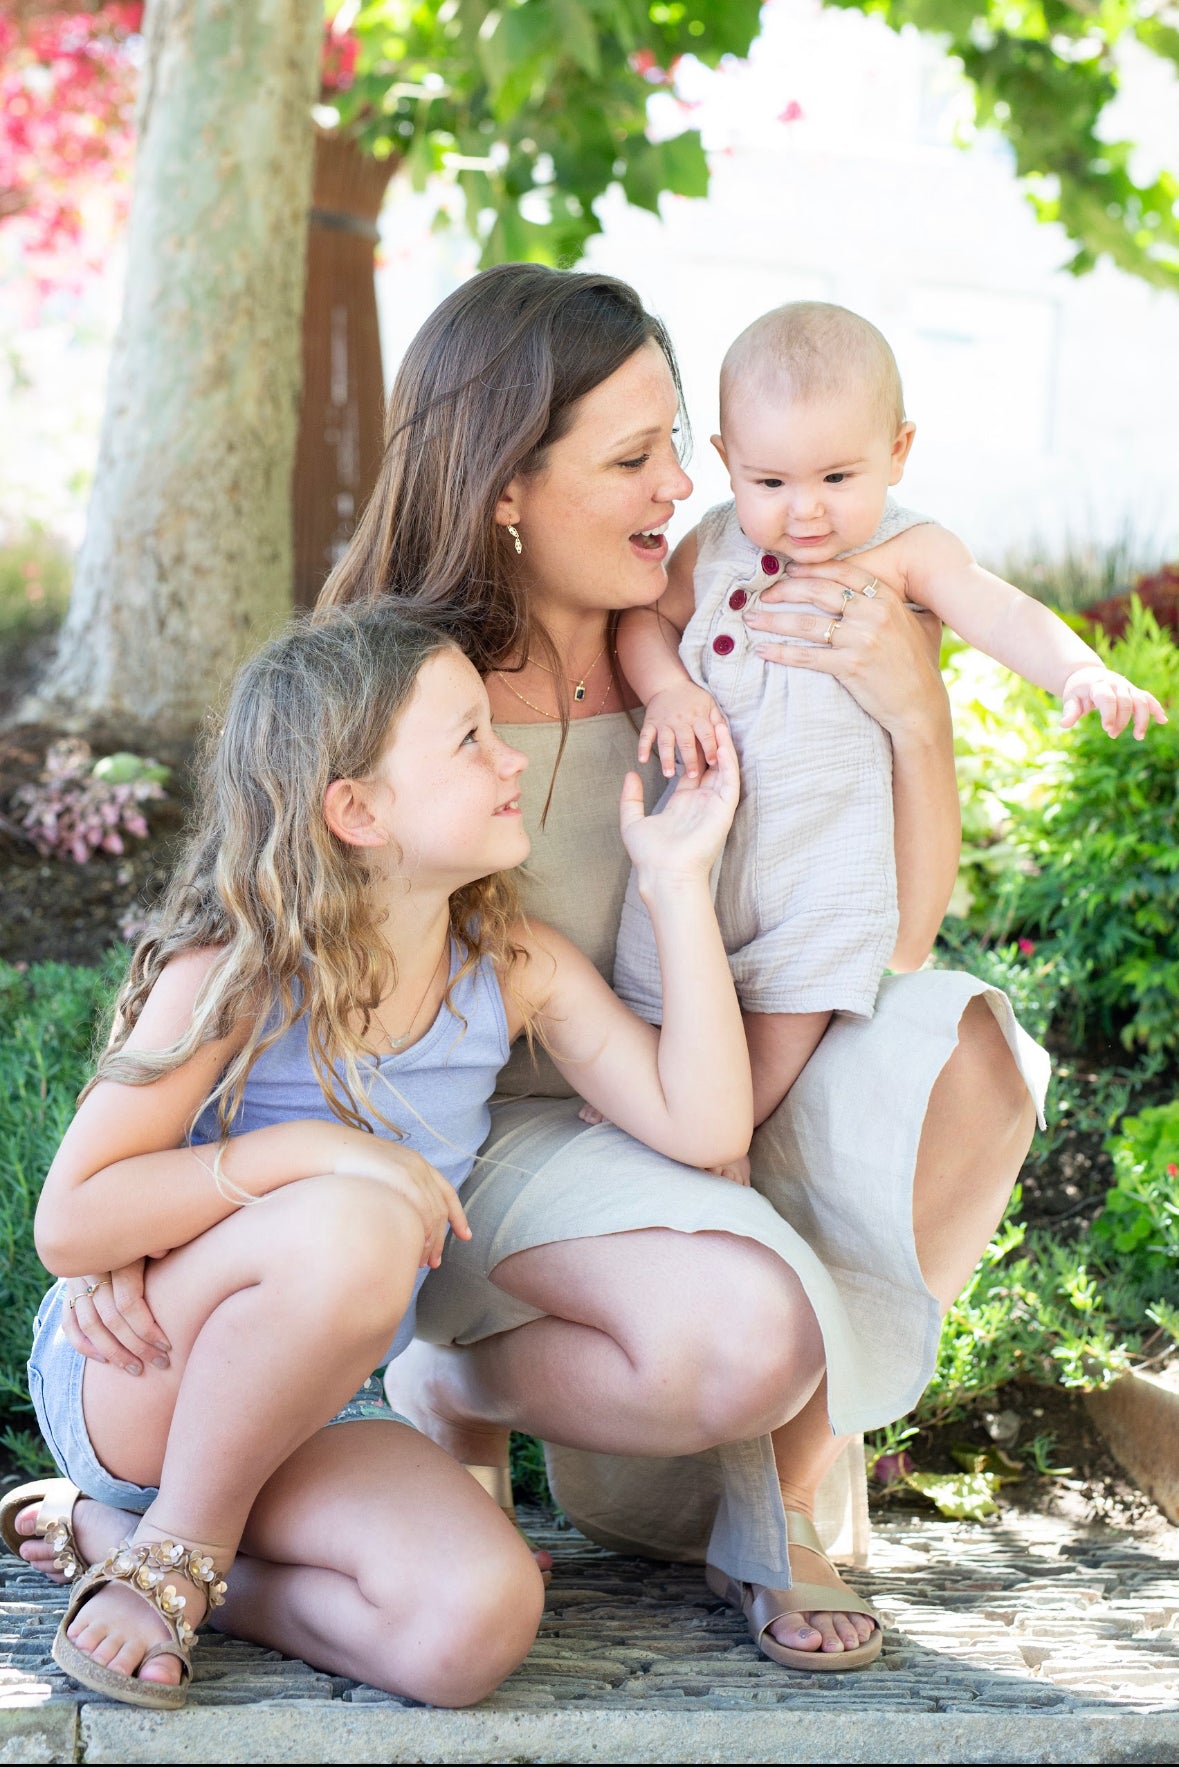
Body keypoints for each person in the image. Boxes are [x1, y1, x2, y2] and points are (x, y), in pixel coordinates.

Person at [316, 263, 1049, 1672]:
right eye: (634, 455)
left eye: (676, 444)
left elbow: (890, 933)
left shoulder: (728, 635)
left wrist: (912, 713)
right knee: (725, 1334)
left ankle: (773, 1503)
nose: (681, 485)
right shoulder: (393, 691)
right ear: (505, 488)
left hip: (688, 1078)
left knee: (965, 1045)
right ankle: (446, 1374)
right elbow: (268, 960)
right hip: (499, 1139)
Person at [2, 604, 749, 1708]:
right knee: (360, 1217)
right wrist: (309, 1150)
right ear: (354, 808)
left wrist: (677, 881)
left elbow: (705, 1125)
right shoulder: (235, 970)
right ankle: (168, 1565)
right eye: (468, 741)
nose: (510, 759)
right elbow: (70, 1222)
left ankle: (137, 1546)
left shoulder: (510, 963)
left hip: (309, 1408)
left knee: (473, 1627)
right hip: (140, 1371)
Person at [611, 301, 1166, 1124]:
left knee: (783, 1017)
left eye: (837, 478)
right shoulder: (714, 543)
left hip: (824, 867)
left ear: (897, 450)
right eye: (770, 482)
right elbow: (644, 622)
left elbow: (1001, 610)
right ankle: (650, 1097)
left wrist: (1078, 671)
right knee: (662, 976)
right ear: (728, 462)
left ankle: (727, 1131)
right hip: (707, 833)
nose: (804, 511)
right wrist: (668, 687)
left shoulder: (910, 551)